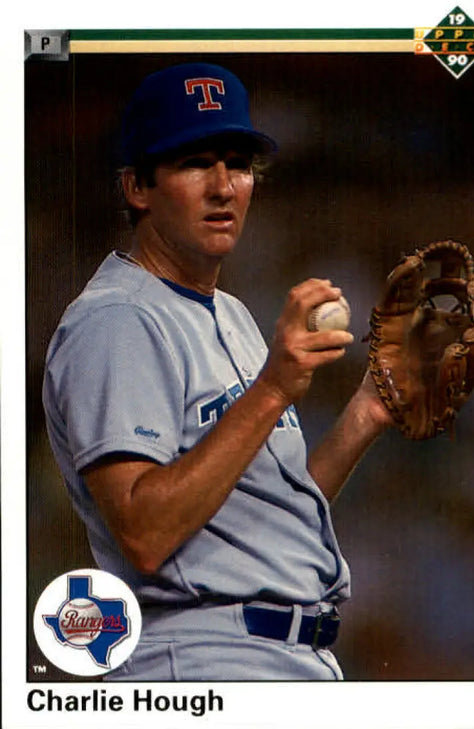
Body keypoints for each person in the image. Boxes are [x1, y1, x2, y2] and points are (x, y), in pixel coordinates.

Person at [42, 62, 391, 681]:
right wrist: (275, 388)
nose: (225, 185)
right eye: (196, 162)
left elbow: (269, 508)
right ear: (137, 187)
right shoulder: (118, 320)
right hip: (201, 659)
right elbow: (145, 533)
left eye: (239, 163)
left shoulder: (227, 312)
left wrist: (369, 408)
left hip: (282, 656)